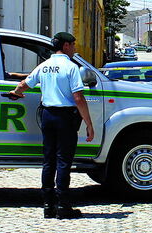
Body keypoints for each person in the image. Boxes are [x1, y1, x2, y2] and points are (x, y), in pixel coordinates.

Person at [7, 32, 95, 219]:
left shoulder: (44, 66)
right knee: (64, 160)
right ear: (65, 46)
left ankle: (48, 204)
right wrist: (88, 122)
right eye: (73, 44)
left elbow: (25, 84)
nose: (74, 48)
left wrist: (16, 92)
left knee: (49, 160)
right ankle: (63, 206)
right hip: (66, 117)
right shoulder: (71, 68)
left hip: (47, 115)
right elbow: (78, 97)